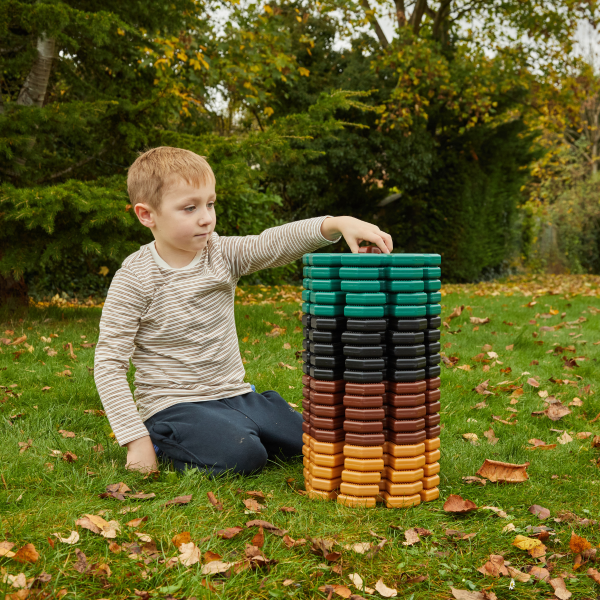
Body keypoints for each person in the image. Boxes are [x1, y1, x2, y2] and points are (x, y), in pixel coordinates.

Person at [94, 146, 393, 474]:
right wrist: (135, 440)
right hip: (174, 406)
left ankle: (254, 416)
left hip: (234, 395)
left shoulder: (221, 253)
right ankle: (160, 440)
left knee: (316, 442)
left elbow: (271, 243)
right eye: (189, 208)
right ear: (147, 215)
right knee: (245, 456)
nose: (206, 217)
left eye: (210, 204)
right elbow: (109, 364)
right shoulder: (135, 278)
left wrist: (334, 224)